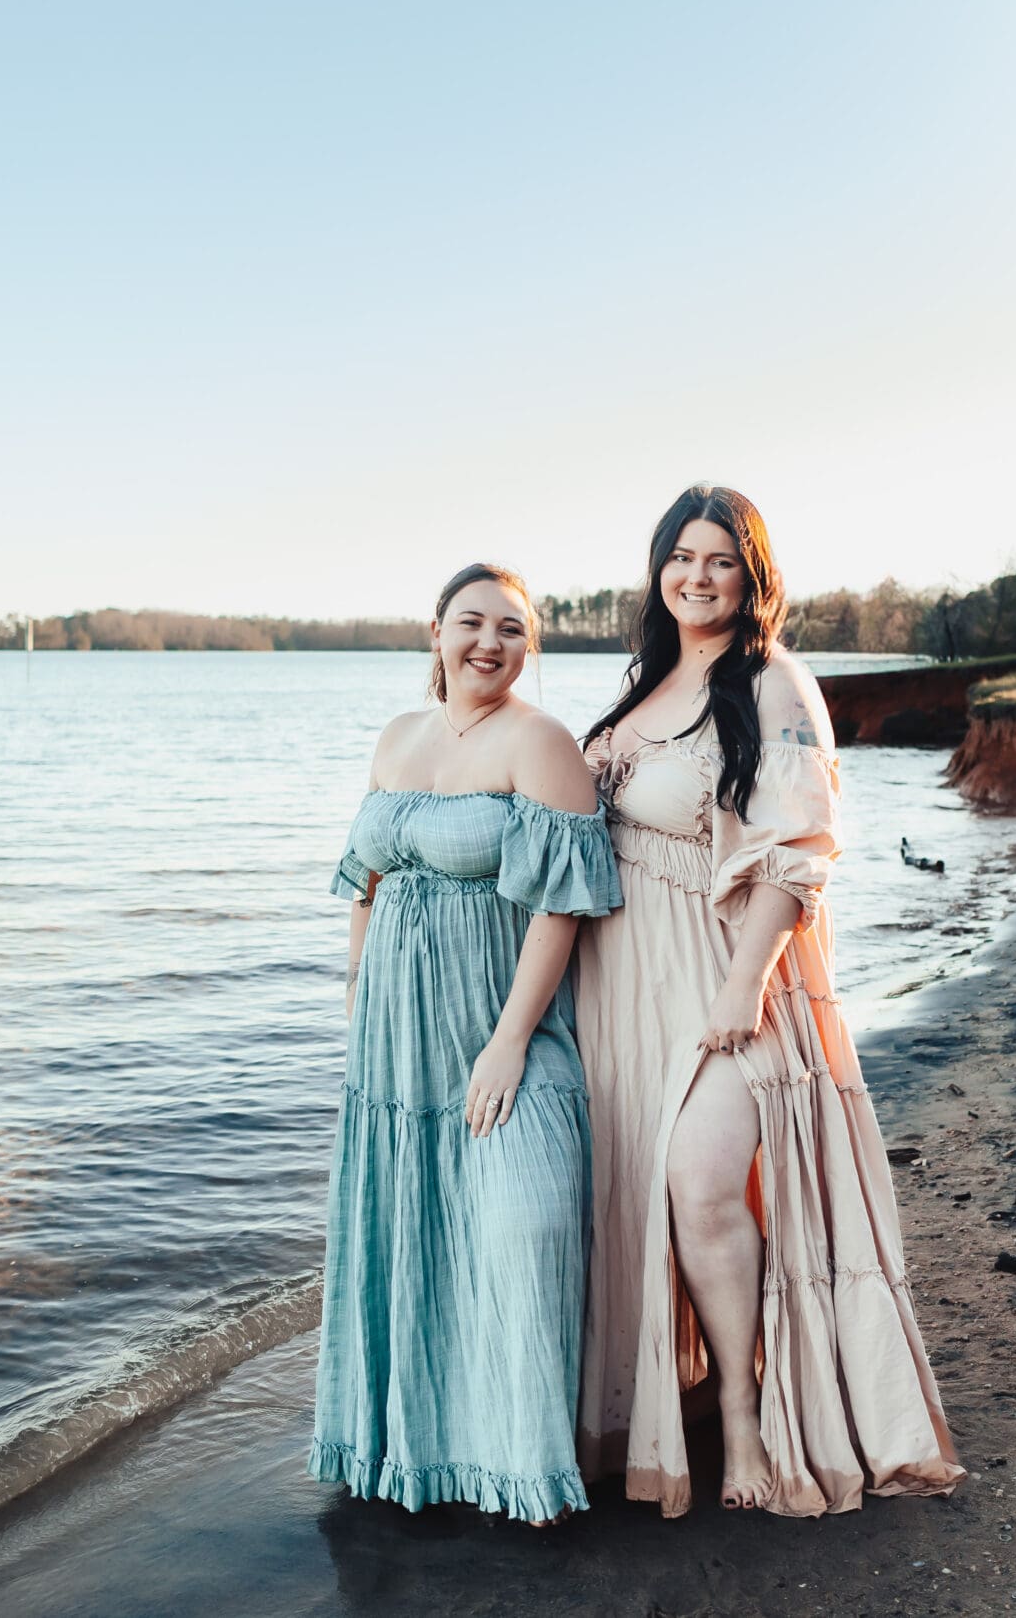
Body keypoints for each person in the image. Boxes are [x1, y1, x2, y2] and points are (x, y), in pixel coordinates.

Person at [574, 488, 962, 1517]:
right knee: (631, 1196)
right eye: (682, 558)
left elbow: (799, 852)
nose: (698, 577)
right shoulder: (641, 687)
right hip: (616, 986)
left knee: (704, 1183)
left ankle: (747, 1422)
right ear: (656, 569)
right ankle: (661, 1402)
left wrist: (743, 985)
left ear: (753, 579)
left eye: (721, 562)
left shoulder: (771, 681)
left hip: (720, 978)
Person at [308, 562, 620, 1525]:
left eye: (513, 628)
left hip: (498, 1023)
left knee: (520, 1224)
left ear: (533, 646)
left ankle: (521, 1467)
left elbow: (559, 908)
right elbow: (365, 879)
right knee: (409, 1229)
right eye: (472, 622)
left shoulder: (541, 742)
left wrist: (510, 1041)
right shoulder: (397, 739)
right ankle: (415, 1453)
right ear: (435, 631)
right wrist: (360, 986)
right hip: (394, 1040)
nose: (490, 642)